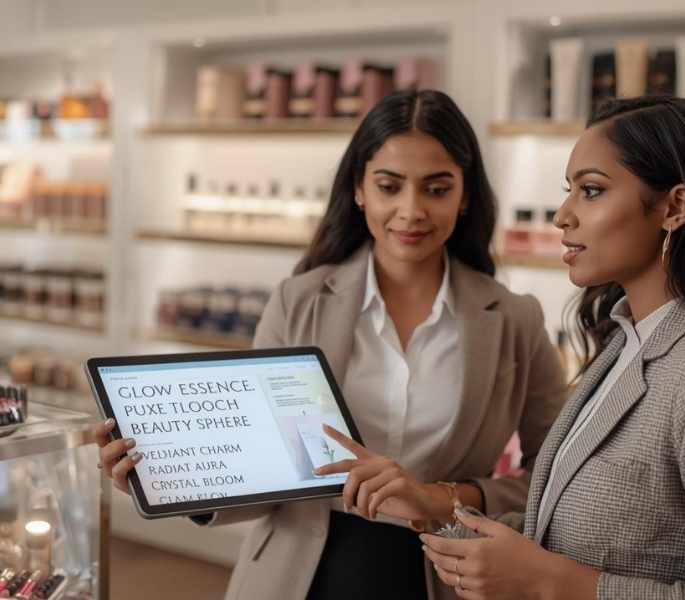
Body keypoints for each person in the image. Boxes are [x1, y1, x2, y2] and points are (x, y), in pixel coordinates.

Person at [94, 89, 566, 600]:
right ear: (359, 189)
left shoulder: (515, 319)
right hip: (302, 570)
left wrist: (441, 499)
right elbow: (260, 467)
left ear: (466, 195)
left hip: (446, 574)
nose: (410, 211)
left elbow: (557, 475)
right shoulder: (298, 301)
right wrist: (172, 482)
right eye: (389, 186)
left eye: (436, 188)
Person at [405, 96, 685, 600]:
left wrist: (552, 582)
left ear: (674, 207)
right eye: (569, 191)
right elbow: (564, 530)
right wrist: (432, 511)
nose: (563, 215)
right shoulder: (623, 342)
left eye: (591, 191)